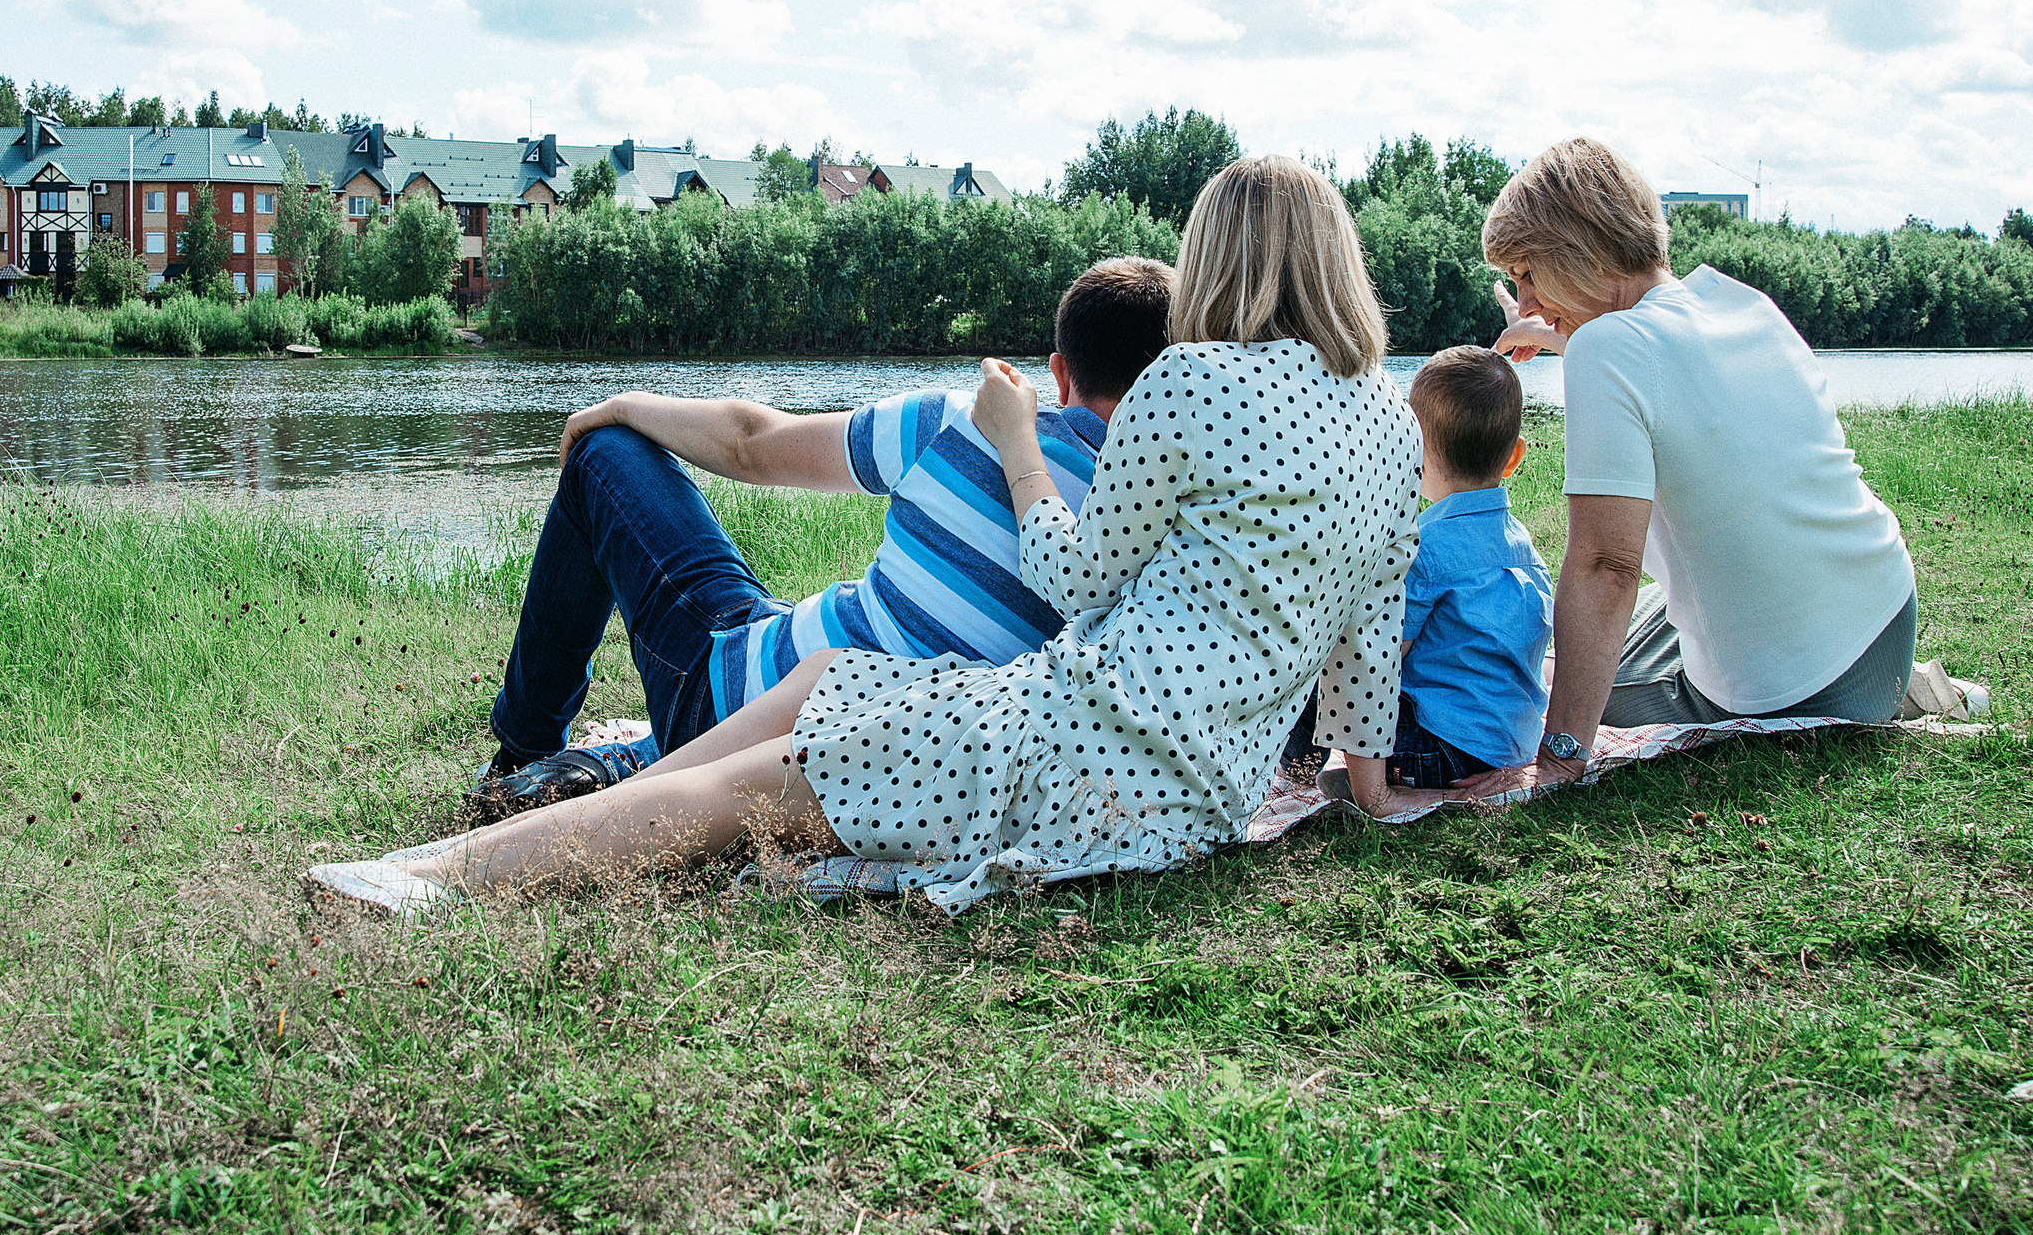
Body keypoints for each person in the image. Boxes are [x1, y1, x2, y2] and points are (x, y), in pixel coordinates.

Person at [305, 155, 1425, 917]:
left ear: (1222, 257)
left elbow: (1079, 573)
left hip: (1083, 747)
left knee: (759, 789)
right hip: (1192, 779)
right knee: (837, 670)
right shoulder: (1386, 416)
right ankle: (574, 805)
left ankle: (437, 877)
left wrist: (1014, 442)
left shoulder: (1191, 379)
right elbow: (1367, 641)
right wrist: (1364, 789)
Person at [465, 257, 1176, 820]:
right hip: (880, 768)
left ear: (1058, 370)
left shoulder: (952, 423)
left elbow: (753, 444)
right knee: (789, 616)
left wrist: (618, 406)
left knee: (606, 456)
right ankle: (626, 756)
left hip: (726, 708)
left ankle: (524, 746)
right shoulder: (1163, 536)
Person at [1460, 137, 1963, 799]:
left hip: (1801, 683)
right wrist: (1562, 334)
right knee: (1597, 626)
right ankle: (1913, 688)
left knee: (1536, 673)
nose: (1523, 303)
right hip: (1883, 621)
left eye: (1527, 274)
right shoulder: (1738, 301)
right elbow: (1653, 355)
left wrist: (1557, 759)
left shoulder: (1607, 351)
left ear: (1572, 252)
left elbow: (1605, 568)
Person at [1384, 346, 1555, 787]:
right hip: (1510, 748)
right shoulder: (1525, 549)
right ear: (1514, 456)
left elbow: (1385, 658)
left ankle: (1297, 769)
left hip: (1436, 749)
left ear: (1412, 449)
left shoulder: (1425, 546)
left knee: (1332, 663)